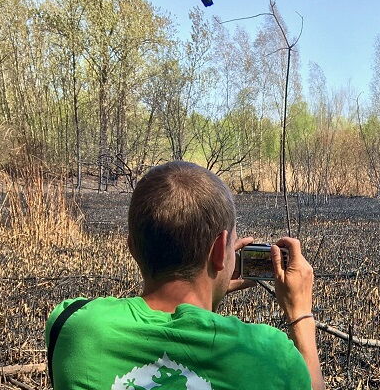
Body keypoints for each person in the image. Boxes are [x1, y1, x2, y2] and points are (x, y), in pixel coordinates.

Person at [45, 161, 324, 390]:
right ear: (218, 251)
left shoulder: (73, 326)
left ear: (132, 247)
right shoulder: (268, 353)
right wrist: (300, 314)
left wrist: (209, 288)